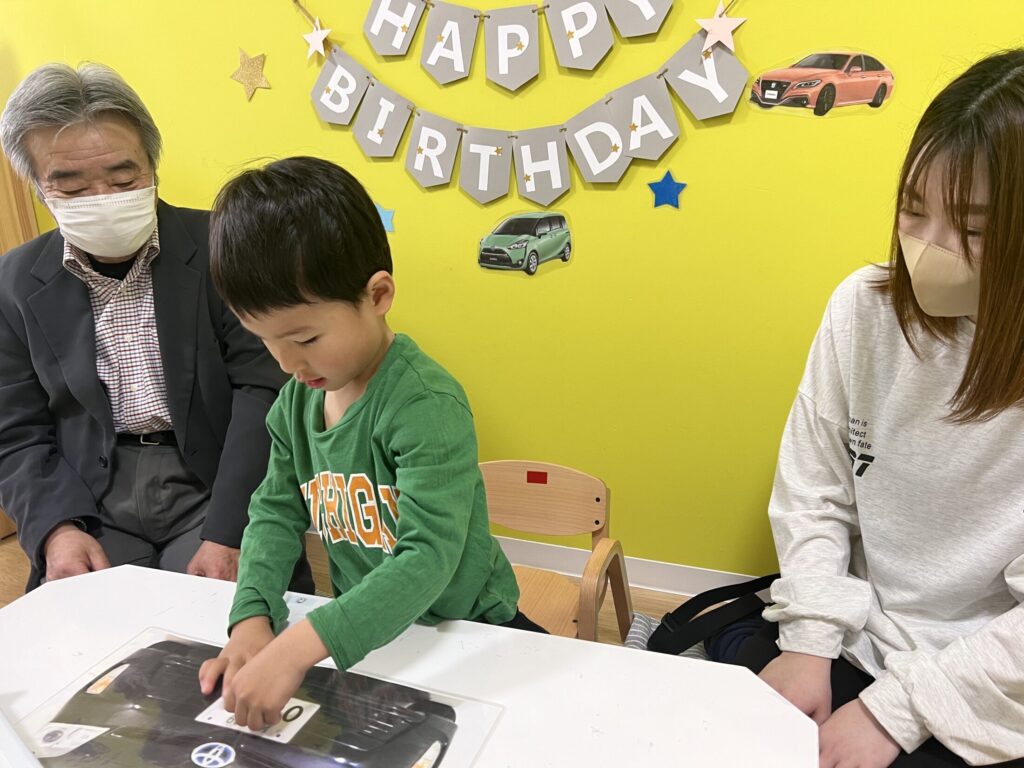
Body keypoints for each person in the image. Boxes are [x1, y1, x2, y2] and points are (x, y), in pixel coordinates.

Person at [734, 50, 1024, 767]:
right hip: (857, 634)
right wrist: (809, 640)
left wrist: (896, 711)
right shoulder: (862, 308)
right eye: (914, 210)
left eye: (975, 229)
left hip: (985, 683)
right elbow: (815, 490)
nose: (929, 249)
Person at [197, 156, 542, 731]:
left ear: (378, 294)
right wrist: (252, 615)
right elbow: (274, 513)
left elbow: (427, 557)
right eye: (266, 341)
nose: (287, 363)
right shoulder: (296, 404)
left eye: (306, 338)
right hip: (377, 636)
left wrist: (298, 646)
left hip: (467, 630)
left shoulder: (425, 404)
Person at [0, 62, 312, 592]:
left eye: (124, 180)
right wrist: (56, 529)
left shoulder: (226, 246)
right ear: (38, 188)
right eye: (72, 188)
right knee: (86, 630)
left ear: (153, 165)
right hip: (89, 496)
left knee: (231, 619)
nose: (103, 199)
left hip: (214, 482)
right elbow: (14, 430)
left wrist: (230, 529)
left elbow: (266, 391)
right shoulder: (13, 283)